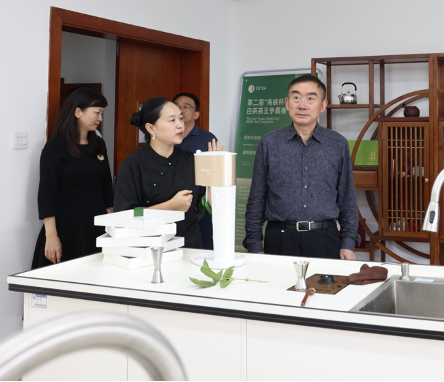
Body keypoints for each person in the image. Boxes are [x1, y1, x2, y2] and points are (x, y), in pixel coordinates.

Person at [243, 74, 358, 259]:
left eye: (310, 98)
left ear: (323, 105)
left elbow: (347, 198)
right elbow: (257, 198)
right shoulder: (269, 143)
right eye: (296, 97)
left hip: (324, 238)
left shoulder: (337, 144)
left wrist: (348, 242)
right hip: (280, 238)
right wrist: (254, 244)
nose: (302, 105)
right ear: (287, 103)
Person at [115, 97, 219, 249]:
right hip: (150, 249)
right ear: (151, 128)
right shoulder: (133, 164)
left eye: (181, 118)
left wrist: (214, 176)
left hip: (189, 247)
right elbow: (125, 215)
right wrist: (170, 206)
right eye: (172, 120)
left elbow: (205, 207)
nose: (180, 125)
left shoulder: (191, 161)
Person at [32, 87, 113, 268]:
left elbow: (106, 187)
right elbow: (47, 194)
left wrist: (111, 227)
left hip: (96, 222)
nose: (100, 118)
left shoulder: (98, 144)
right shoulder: (55, 147)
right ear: (78, 112)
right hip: (66, 224)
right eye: (97, 112)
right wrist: (51, 236)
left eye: (102, 113)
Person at [173, 92, 217, 249]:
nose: (181, 111)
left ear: (196, 114)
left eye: (186, 107)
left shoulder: (207, 139)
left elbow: (213, 175)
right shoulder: (166, 137)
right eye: (177, 107)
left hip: (199, 211)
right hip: (170, 208)